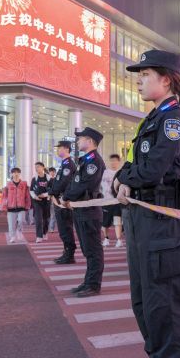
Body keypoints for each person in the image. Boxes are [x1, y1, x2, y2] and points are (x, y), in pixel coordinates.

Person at [113, 49, 180, 358]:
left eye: (144, 74)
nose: (139, 80)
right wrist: (125, 176)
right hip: (144, 220)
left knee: (165, 306)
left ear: (166, 79)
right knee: (144, 303)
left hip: (164, 224)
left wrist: (123, 178)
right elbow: (136, 162)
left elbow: (152, 168)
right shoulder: (153, 118)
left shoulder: (173, 119)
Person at [61, 127, 105, 298]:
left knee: (93, 249)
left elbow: (84, 185)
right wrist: (68, 197)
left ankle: (93, 285)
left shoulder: (94, 161)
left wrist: (66, 197)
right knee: (87, 249)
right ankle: (88, 281)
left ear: (90, 141)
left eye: (80, 139)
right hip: (81, 209)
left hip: (89, 210)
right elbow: (75, 182)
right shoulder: (85, 160)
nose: (78, 142)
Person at [51, 139, 78, 264]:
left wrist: (52, 192)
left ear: (67, 149)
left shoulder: (68, 164)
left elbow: (64, 182)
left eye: (60, 147)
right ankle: (67, 252)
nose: (58, 150)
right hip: (60, 200)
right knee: (63, 229)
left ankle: (69, 254)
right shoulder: (64, 163)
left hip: (63, 201)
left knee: (65, 229)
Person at [100, 154, 124, 248]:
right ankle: (106, 238)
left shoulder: (121, 173)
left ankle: (119, 240)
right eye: (111, 160)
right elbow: (103, 186)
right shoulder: (105, 173)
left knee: (118, 221)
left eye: (115, 160)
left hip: (117, 202)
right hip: (106, 201)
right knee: (105, 223)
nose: (113, 162)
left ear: (119, 162)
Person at [2, 168, 31, 243]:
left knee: (21, 220)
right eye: (14, 172)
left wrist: (28, 205)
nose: (16, 174)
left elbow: (27, 195)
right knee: (11, 224)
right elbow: (4, 196)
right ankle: (12, 237)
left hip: (21, 207)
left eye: (18, 172)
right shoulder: (8, 184)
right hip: (10, 207)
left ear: (20, 174)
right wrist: (4, 206)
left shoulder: (24, 184)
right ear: (11, 174)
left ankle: (19, 231)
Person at [30, 162, 51, 243]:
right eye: (35, 167)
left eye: (38, 167)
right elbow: (31, 190)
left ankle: (45, 232)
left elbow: (52, 189)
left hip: (46, 201)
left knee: (46, 219)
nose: (37, 169)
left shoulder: (49, 178)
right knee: (38, 218)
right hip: (37, 201)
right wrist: (35, 197)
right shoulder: (34, 178)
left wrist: (44, 195)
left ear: (43, 167)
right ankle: (39, 236)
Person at [47, 167, 58, 232]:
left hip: (58, 198)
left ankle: (52, 227)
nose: (52, 173)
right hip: (51, 198)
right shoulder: (48, 180)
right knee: (52, 214)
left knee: (56, 214)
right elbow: (47, 189)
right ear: (49, 172)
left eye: (53, 171)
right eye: (51, 172)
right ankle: (51, 228)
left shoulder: (58, 179)